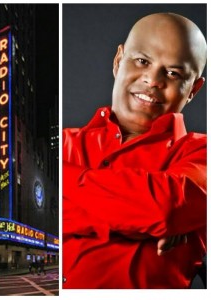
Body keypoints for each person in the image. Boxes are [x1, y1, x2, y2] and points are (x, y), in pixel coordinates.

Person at [63, 12, 207, 289]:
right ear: (119, 61)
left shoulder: (201, 152)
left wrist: (70, 186)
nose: (153, 80)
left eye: (174, 73)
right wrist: (141, 216)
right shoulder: (66, 141)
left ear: (193, 90)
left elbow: (165, 208)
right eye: (142, 61)